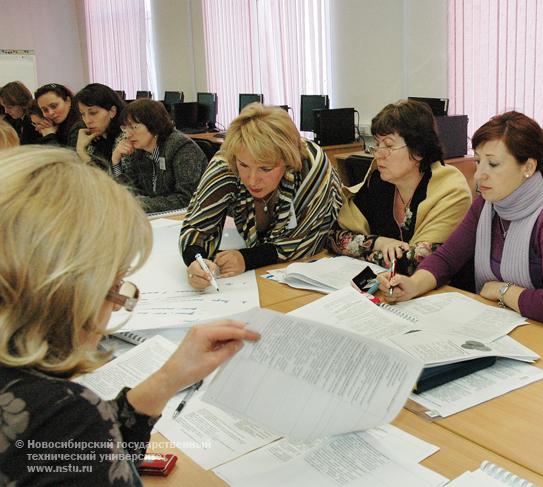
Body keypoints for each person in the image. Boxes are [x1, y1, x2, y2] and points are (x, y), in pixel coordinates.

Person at [0, 146, 260, 485]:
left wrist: (166, 381)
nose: (117, 303)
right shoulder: (64, 414)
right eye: (116, 283)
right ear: (68, 291)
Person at [380, 111, 543, 328]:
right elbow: (448, 258)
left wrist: (502, 291)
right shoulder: (487, 205)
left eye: (493, 164)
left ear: (528, 167)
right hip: (518, 324)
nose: (479, 175)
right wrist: (413, 285)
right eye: (478, 162)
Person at [180, 104, 343, 287]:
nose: (252, 180)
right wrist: (196, 262)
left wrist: (247, 259)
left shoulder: (310, 164)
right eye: (244, 165)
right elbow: (195, 228)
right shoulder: (226, 162)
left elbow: (306, 240)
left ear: (287, 161)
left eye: (265, 168)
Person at [328, 100, 472, 274]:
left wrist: (361, 248)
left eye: (388, 145)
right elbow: (333, 237)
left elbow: (418, 262)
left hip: (441, 293)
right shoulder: (379, 182)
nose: (378, 154)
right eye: (377, 144)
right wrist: (380, 243)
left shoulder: (450, 189)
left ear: (418, 150)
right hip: (388, 289)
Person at [112, 99, 205, 213]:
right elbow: (129, 191)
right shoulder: (140, 151)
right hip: (160, 219)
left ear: (154, 125)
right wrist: (116, 161)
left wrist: (140, 204)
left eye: (134, 127)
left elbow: (186, 199)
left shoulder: (182, 148)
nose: (128, 134)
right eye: (125, 128)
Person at [74, 83, 127, 168]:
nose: (87, 121)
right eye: (82, 114)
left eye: (93, 113)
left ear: (112, 112)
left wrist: (81, 151)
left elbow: (105, 180)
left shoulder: (128, 138)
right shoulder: (92, 137)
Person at [34, 83, 84, 147]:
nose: (50, 113)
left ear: (68, 101)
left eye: (54, 106)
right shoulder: (53, 126)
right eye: (45, 110)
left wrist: (49, 136)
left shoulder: (80, 126)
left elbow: (65, 156)